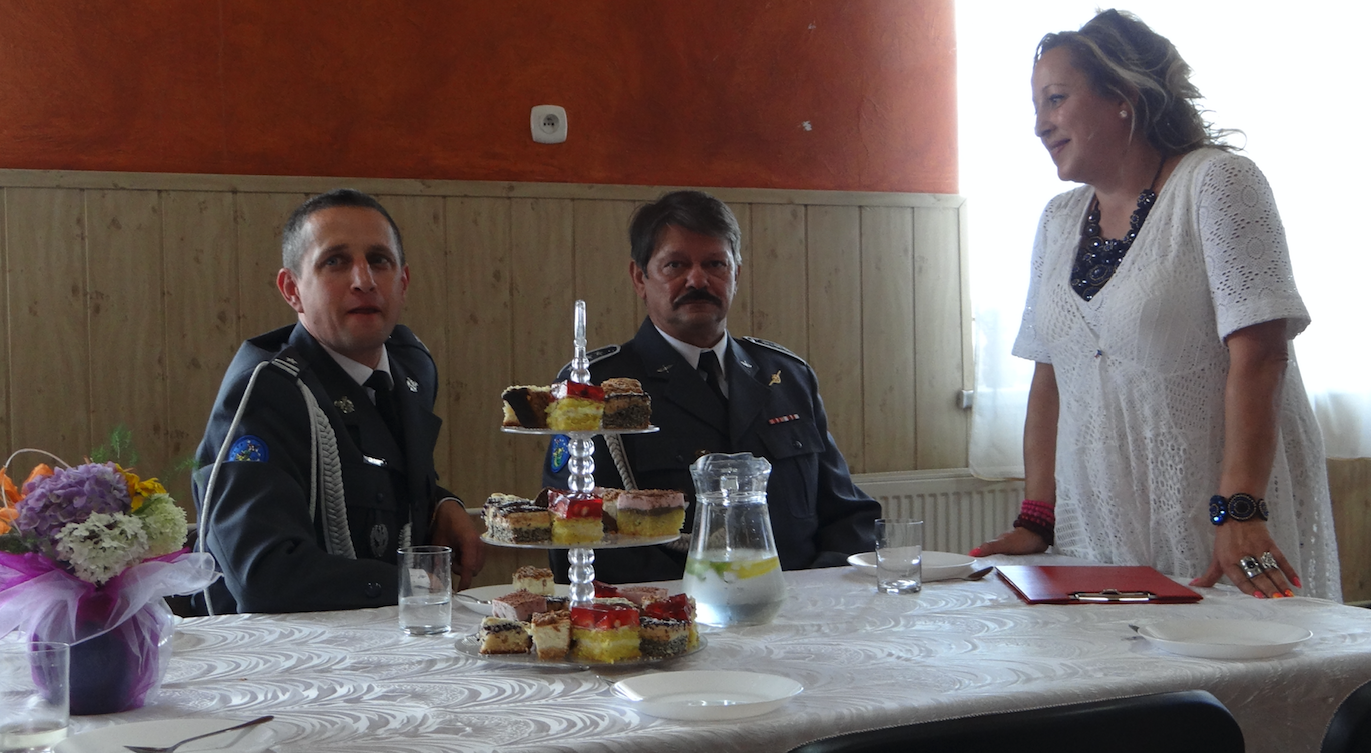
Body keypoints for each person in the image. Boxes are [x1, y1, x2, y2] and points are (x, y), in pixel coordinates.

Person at [972, 10, 1340, 600]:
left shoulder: (1218, 183)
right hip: (1098, 531)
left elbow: (1262, 356)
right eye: (1036, 107)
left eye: (1057, 99)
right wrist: (1036, 519)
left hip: (1220, 526)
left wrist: (1238, 509)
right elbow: (1050, 376)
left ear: (1123, 96)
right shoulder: (1058, 220)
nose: (1040, 125)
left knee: (1241, 684)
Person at [542, 189, 879, 584]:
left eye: (715, 263)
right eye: (675, 265)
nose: (698, 279)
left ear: (737, 272)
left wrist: (816, 588)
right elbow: (573, 534)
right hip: (670, 621)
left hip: (799, 612)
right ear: (640, 277)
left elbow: (848, 514)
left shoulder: (787, 377)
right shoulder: (593, 388)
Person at [192, 189, 484, 613]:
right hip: (294, 659)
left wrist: (443, 504)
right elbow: (265, 576)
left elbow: (379, 473)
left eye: (379, 260)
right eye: (336, 261)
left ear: (402, 282)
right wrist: (416, 584)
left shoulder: (412, 367)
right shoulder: (266, 394)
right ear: (292, 289)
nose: (363, 280)